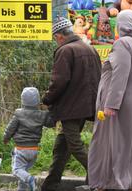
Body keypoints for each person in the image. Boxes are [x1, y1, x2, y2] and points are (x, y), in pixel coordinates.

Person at [88, 10, 132, 191]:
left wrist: (111, 104)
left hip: (127, 102)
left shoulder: (123, 44)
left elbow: (120, 74)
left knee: (121, 145)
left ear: (120, 24)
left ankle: (118, 183)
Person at [41, 16, 102, 191]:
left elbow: (59, 81)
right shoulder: (89, 49)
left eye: (55, 38)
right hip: (87, 106)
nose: (56, 41)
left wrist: (47, 99)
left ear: (59, 36)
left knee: (74, 145)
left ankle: (100, 176)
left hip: (71, 107)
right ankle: (50, 184)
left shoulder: (65, 51)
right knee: (62, 146)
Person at [3, 87, 55, 191]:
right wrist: (50, 110)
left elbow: (10, 128)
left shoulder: (18, 113)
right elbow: (51, 123)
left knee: (17, 170)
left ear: (22, 100)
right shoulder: (41, 115)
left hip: (21, 149)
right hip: (34, 151)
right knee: (24, 171)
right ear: (37, 101)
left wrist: (6, 138)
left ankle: (30, 179)